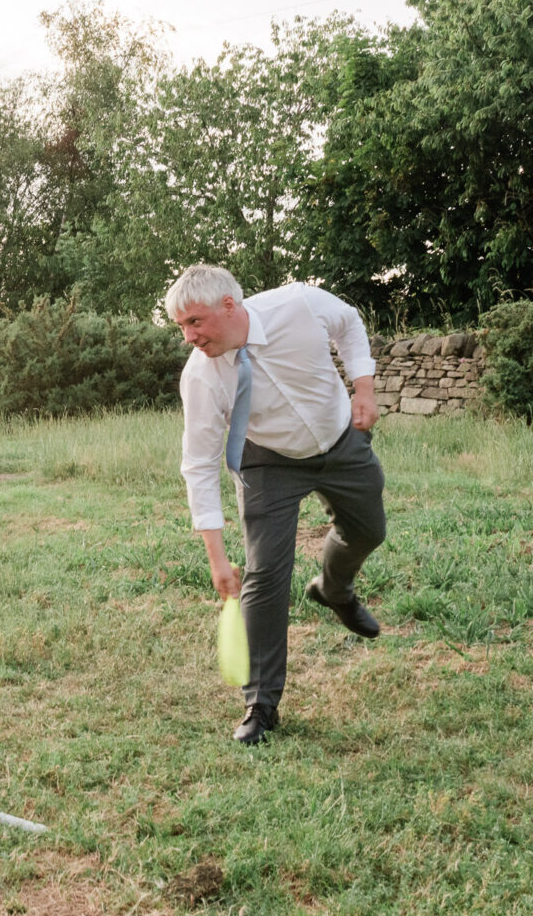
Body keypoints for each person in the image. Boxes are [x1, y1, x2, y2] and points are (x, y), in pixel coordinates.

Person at [164, 265, 386, 745]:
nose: (188, 337)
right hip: (267, 461)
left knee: (369, 531)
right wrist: (217, 557)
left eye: (195, 322)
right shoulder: (201, 376)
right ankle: (261, 706)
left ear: (229, 305)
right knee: (264, 576)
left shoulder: (298, 305)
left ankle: (334, 587)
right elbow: (199, 464)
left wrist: (364, 387)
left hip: (340, 440)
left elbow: (349, 323)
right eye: (181, 327)